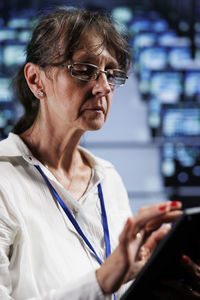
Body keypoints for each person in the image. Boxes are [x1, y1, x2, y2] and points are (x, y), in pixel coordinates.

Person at [0, 7, 184, 300]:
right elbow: (103, 283)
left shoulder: (108, 177)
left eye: (111, 74)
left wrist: (154, 276)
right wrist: (101, 280)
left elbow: (119, 290)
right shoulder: (3, 179)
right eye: (83, 70)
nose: (103, 87)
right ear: (36, 80)